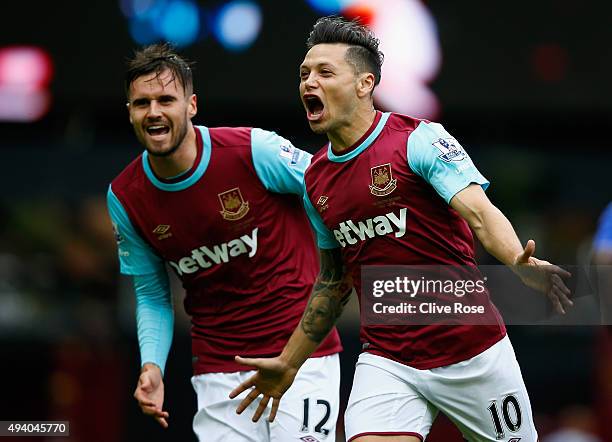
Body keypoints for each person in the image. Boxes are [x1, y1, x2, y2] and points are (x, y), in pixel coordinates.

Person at [230, 17, 573, 442]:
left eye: (324, 72)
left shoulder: (419, 140)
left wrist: (516, 262)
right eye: (304, 74)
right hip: (388, 359)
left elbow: (481, 214)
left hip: (472, 351)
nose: (308, 83)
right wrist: (289, 362)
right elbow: (333, 282)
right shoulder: (315, 179)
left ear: (364, 83)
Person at [106, 43, 342, 442]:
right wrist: (152, 366)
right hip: (219, 370)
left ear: (191, 105)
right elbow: (150, 294)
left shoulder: (253, 150)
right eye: (142, 103)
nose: (154, 112)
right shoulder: (126, 197)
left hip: (300, 356)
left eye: (166, 99)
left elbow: (333, 191)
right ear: (129, 111)